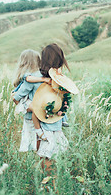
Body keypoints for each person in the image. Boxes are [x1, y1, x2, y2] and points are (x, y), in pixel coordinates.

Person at [13, 43, 76, 174]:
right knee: (47, 158)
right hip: (44, 124)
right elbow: (17, 97)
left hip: (52, 123)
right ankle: (50, 187)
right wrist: (30, 106)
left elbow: (16, 98)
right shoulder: (37, 78)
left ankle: (47, 185)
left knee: (47, 158)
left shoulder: (55, 79)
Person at [12, 49, 51, 152]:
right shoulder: (45, 75)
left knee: (36, 146)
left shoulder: (31, 78)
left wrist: (18, 101)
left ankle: (40, 166)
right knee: (45, 146)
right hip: (47, 116)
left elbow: (17, 97)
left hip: (32, 119)